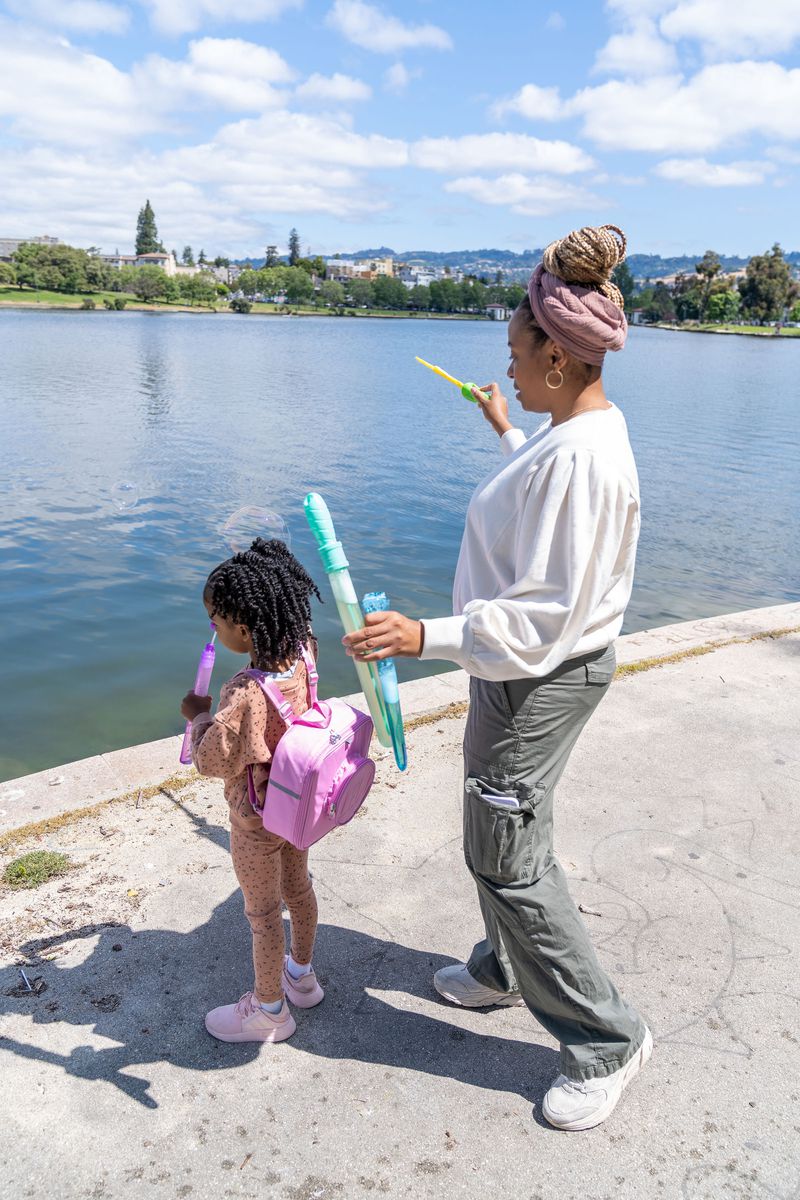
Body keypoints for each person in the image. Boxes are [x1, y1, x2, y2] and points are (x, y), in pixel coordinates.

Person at [342, 224, 652, 1130]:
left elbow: (543, 613)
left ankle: (606, 1039)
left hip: (537, 672)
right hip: (519, 670)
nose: (508, 367)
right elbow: (541, 493)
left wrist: (422, 635)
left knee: (507, 857)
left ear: (558, 355)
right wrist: (508, 426)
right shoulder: (570, 434)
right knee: (499, 828)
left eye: (518, 355)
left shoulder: (586, 461)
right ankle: (506, 970)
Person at [180, 537, 325, 1044]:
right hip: (301, 805)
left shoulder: (243, 690)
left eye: (217, 623)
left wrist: (198, 717)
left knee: (263, 914)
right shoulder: (305, 648)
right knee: (299, 890)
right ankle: (302, 978)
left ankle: (269, 1011)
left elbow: (213, 760)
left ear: (243, 628)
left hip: (257, 821)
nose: (213, 631)